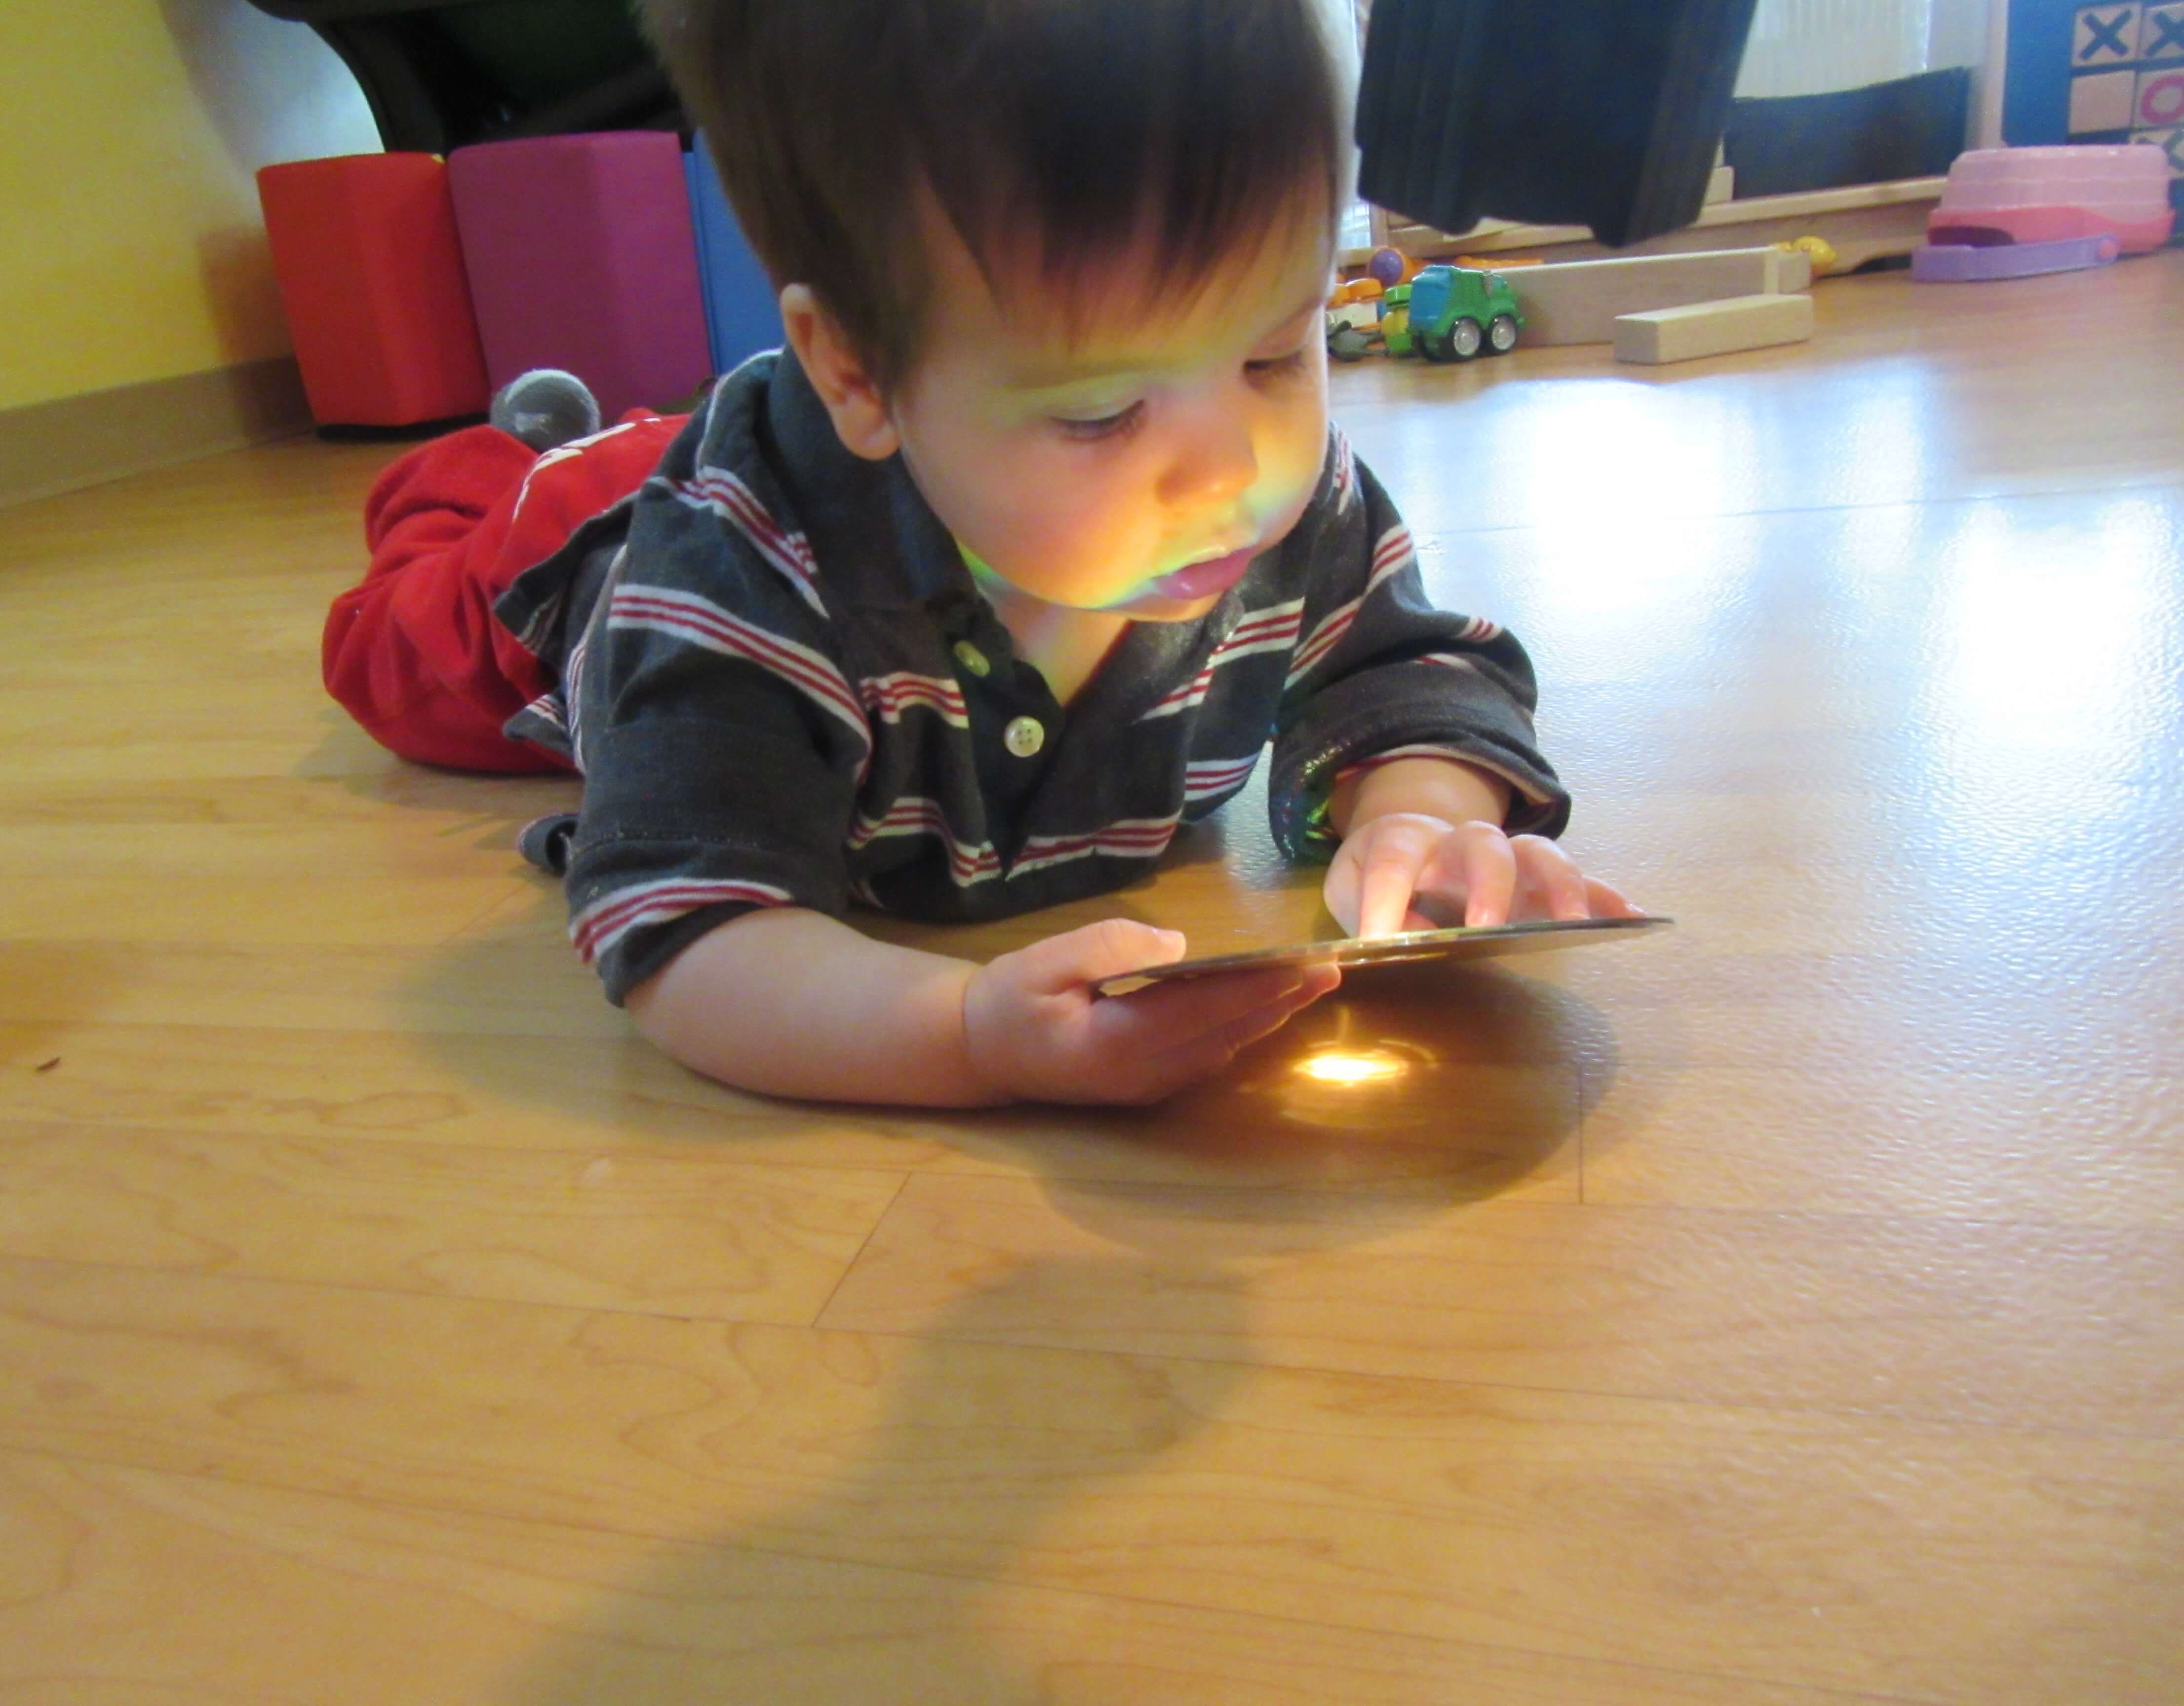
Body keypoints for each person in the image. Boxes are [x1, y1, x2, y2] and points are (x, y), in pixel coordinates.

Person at [323, 0, 1639, 1109]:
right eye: (1103, 411)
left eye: (1272, 355)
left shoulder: (1284, 502)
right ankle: (487, 466)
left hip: (867, 445)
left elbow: (1411, 668)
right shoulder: (736, 578)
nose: (1231, 466)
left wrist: (1426, 812)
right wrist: (964, 1035)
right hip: (581, 566)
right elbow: (687, 928)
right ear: (860, 368)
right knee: (404, 653)